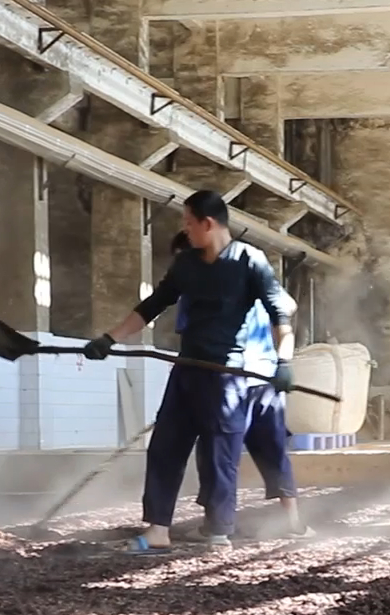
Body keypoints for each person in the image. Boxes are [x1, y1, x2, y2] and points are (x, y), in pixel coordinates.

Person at [88, 191, 294, 552]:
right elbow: (152, 305)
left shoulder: (249, 261)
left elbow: (280, 314)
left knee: (219, 452)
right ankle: (157, 530)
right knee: (165, 445)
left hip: (228, 373)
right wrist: (109, 338)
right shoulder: (187, 265)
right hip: (187, 369)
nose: (184, 229)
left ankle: (218, 532)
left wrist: (285, 362)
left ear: (207, 223)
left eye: (187, 222)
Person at [170, 230, 308, 539]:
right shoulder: (252, 280)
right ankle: (293, 523)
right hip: (265, 378)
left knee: (216, 452)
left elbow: (192, 340)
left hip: (227, 381)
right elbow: (289, 305)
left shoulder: (201, 296)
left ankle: (216, 530)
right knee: (273, 451)